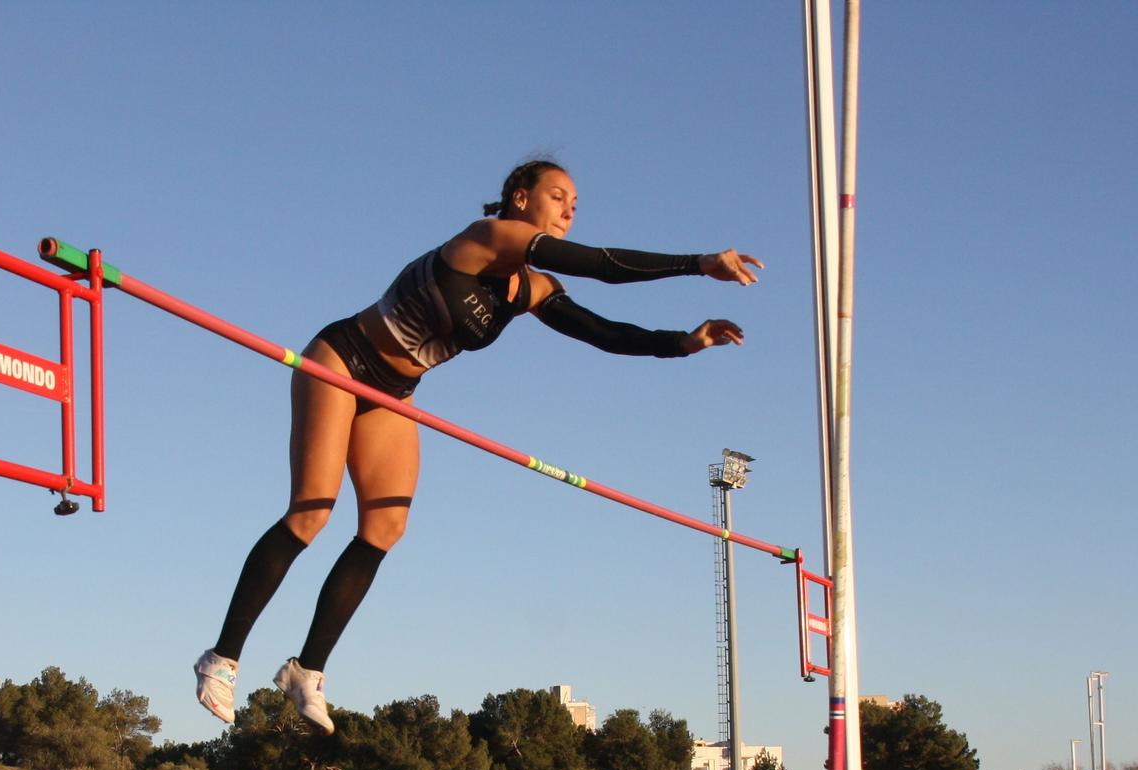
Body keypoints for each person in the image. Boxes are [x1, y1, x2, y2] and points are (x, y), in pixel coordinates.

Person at [192, 160, 761, 733]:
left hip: (395, 389)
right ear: (520, 198)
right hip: (344, 358)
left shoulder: (533, 286)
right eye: (557, 196)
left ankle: (305, 671)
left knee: (384, 528)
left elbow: (602, 332)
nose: (568, 209)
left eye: (575, 203)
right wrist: (698, 264)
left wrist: (683, 344)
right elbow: (603, 265)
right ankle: (221, 658)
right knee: (312, 512)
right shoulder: (487, 238)